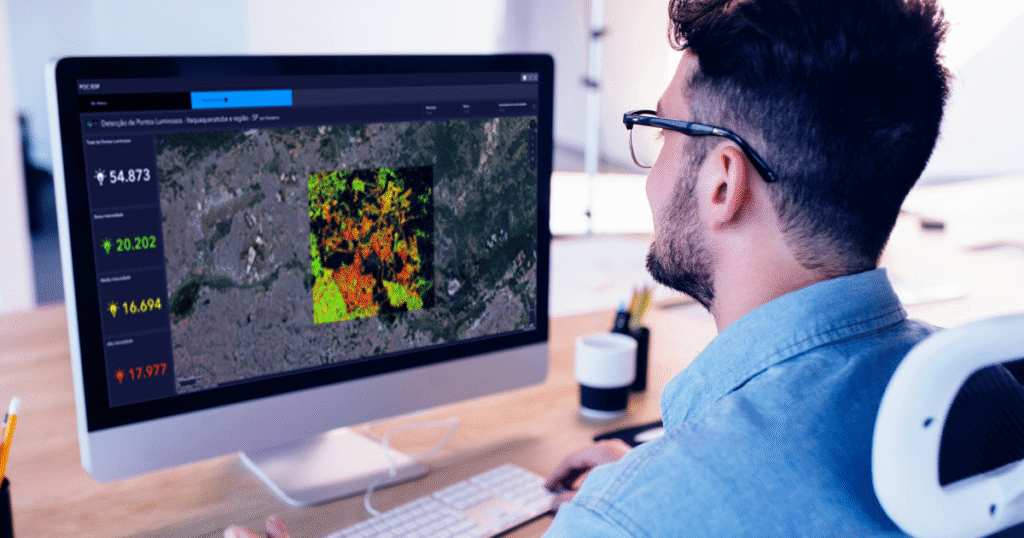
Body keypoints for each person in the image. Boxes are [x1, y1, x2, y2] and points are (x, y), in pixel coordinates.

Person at [227, 0, 952, 535]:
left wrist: (644, 500)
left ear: (722, 182)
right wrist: (658, 476)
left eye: (659, 127)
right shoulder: (978, 394)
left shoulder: (624, 521)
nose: (649, 170)